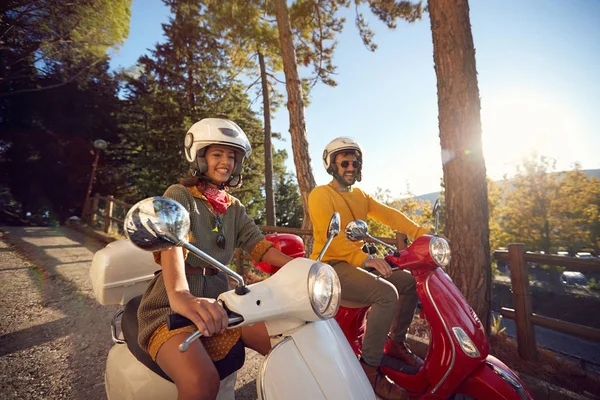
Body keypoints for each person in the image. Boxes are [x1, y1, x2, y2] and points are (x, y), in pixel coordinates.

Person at [137, 118, 293, 400]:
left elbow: (258, 245)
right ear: (200, 157)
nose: (226, 162)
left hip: (222, 302)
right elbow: (171, 240)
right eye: (217, 154)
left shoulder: (234, 207)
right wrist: (180, 295)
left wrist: (302, 267)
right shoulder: (179, 194)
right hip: (171, 307)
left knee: (285, 342)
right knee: (201, 382)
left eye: (231, 156)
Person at [308, 137, 429, 400]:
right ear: (331, 165)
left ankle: (396, 343)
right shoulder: (321, 194)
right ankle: (369, 370)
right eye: (344, 162)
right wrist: (364, 259)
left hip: (356, 261)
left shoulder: (361, 196)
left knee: (408, 282)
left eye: (355, 162)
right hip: (331, 266)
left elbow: (390, 215)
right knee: (386, 295)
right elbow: (334, 238)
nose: (351, 167)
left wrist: (422, 233)